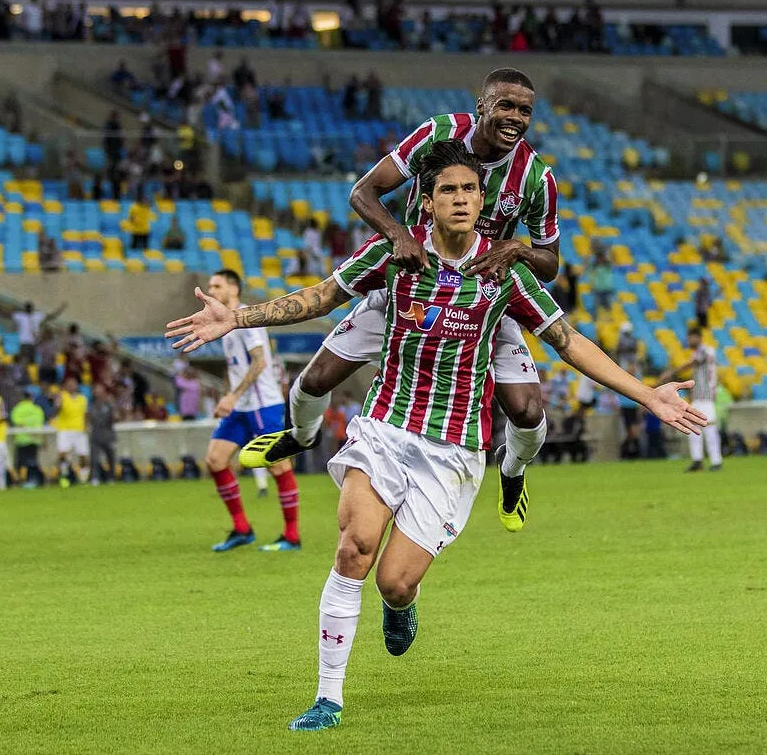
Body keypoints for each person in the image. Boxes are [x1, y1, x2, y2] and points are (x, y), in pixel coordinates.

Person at [165, 140, 706, 732]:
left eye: (469, 190)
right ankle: (328, 698)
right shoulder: (395, 254)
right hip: (383, 430)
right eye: (447, 189)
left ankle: (403, 606)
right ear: (426, 199)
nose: (459, 199)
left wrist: (646, 393)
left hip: (451, 452)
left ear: (482, 201)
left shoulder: (504, 272)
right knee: (353, 550)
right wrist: (237, 317)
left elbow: (569, 342)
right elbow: (320, 297)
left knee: (395, 583)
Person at [237, 68, 561, 536]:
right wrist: (397, 236)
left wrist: (520, 250)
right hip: (410, 288)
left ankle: (511, 473)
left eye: (525, 110)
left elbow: (550, 263)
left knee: (528, 411)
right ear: (482, 107)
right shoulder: (438, 135)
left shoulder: (536, 178)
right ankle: (299, 435)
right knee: (313, 381)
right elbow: (363, 191)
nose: (514, 117)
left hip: (483, 300)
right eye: (505, 106)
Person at [203, 269, 301, 553]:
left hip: (263, 405)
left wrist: (232, 396)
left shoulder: (247, 318)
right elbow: (235, 365)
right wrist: (228, 395)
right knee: (215, 459)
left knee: (278, 466)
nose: (212, 290)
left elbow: (259, 363)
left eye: (216, 285)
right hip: (241, 406)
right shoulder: (225, 321)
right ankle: (242, 529)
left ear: (233, 288)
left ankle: (292, 536)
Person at [661, 327, 723, 472]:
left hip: (706, 396)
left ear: (698, 337)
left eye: (691, 338)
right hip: (699, 396)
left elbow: (690, 364)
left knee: (709, 428)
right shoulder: (702, 351)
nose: (689, 341)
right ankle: (698, 460)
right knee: (693, 427)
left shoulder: (705, 350)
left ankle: (716, 461)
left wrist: (671, 373)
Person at [53, 376, 89, 487]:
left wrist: (87, 427)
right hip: (65, 430)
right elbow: (56, 411)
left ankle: (83, 479)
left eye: (73, 383)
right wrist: (57, 403)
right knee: (63, 454)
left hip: (79, 430)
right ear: (65, 386)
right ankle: (64, 475)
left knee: (83, 455)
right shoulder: (62, 396)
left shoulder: (82, 399)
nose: (71, 386)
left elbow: (86, 414)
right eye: (69, 384)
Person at [11, 387, 46, 488]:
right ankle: (33, 481)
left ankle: (20, 482)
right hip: (34, 440)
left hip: (21, 439)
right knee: (33, 462)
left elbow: (16, 422)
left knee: (20, 463)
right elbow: (40, 425)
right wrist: (42, 439)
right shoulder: (37, 409)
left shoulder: (18, 408)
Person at [87, 383, 118, 485]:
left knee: (111, 457)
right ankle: (95, 478)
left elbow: (116, 418)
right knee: (94, 458)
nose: (98, 393)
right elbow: (87, 419)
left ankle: (111, 478)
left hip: (108, 433)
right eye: (96, 390)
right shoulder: (91, 405)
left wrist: (113, 406)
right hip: (96, 433)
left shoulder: (109, 404)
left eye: (100, 390)